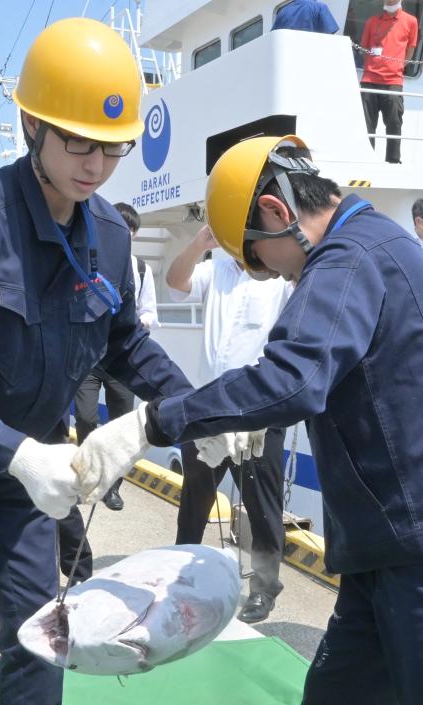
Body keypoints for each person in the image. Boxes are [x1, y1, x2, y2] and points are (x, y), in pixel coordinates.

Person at [73, 135, 423, 705]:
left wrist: (152, 424)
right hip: (389, 549)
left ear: (276, 212)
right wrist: (231, 416)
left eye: (260, 260)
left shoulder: (349, 255)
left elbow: (295, 377)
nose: (278, 279)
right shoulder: (371, 242)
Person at [0, 19, 202, 705]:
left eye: (113, 148)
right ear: (31, 123)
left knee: (43, 630)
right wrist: (19, 453)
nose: (95, 164)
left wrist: (198, 406)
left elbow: (124, 342)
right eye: (79, 141)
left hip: (28, 466)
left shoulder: (109, 233)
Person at [164, 223, 293, 623]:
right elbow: (175, 281)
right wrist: (198, 243)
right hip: (208, 404)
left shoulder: (279, 279)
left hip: (258, 410)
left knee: (261, 501)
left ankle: (265, 586)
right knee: (195, 496)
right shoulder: (215, 269)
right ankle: (180, 572)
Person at [72, 202, 158, 511]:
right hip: (91, 359)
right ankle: (88, 474)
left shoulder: (141, 269)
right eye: (122, 228)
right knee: (85, 417)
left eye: (131, 231)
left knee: (123, 425)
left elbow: (149, 310)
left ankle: (112, 486)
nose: (127, 235)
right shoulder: (90, 263)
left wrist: (142, 322)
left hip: (122, 357)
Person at [359, 2, 418, 164]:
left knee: (394, 123)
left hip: (393, 81)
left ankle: (393, 161)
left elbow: (411, 49)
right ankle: (366, 160)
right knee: (366, 125)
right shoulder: (371, 21)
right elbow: (364, 48)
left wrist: (397, 66)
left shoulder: (410, 21)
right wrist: (374, 66)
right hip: (369, 79)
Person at [272, 0, 339, 34]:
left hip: (287, 55)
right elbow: (330, 36)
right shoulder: (319, 7)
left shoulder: (282, 12)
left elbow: (273, 36)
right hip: (311, 55)